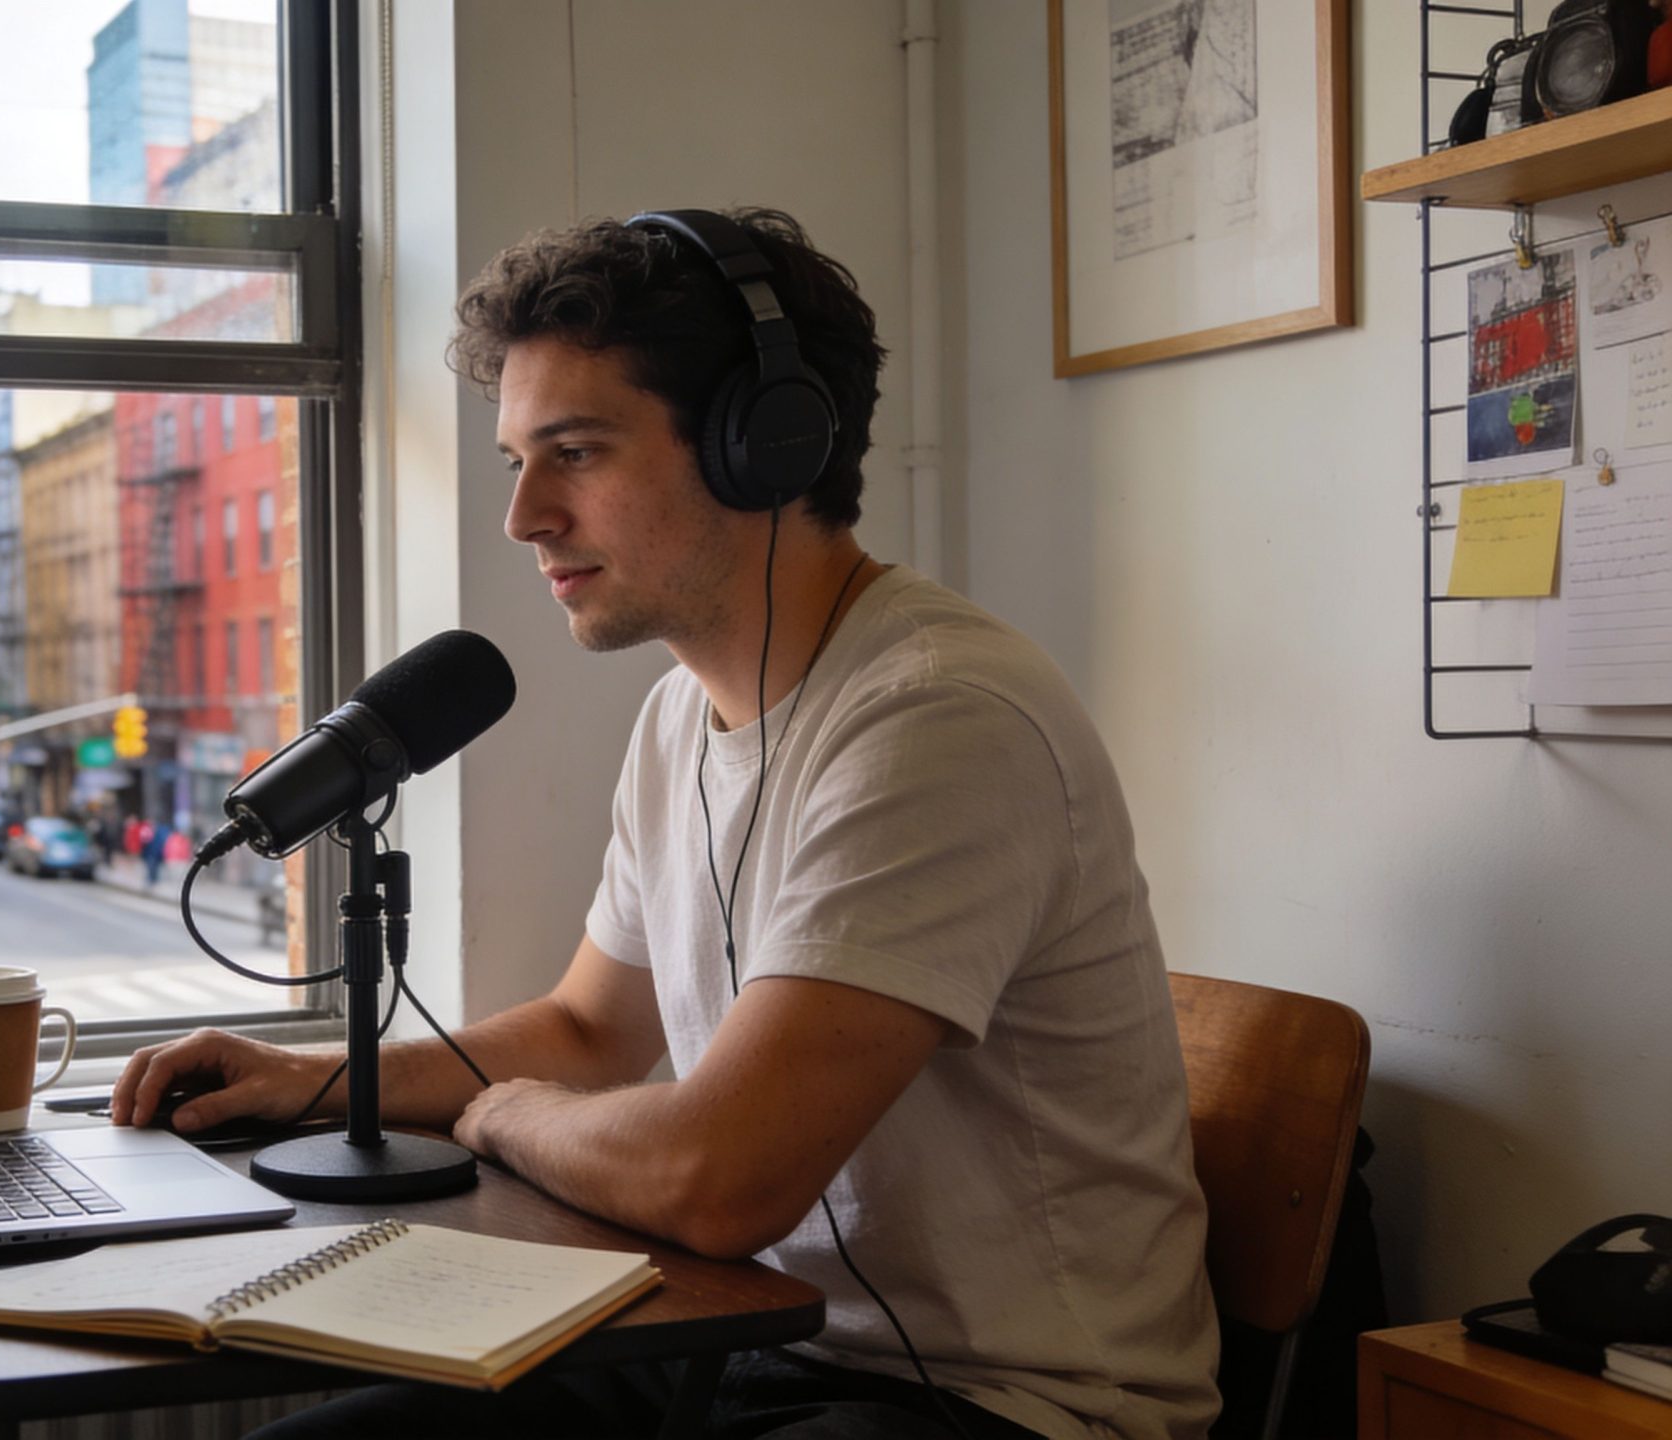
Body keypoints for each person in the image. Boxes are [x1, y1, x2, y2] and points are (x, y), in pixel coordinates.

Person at [111, 208, 1217, 1439]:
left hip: (990, 1408)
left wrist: (499, 1114)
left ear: (766, 444)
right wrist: (317, 1084)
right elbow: (589, 1029)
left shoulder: (937, 720)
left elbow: (716, 1174)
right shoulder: (679, 718)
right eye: (516, 461)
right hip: (743, 1342)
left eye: (574, 452)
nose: (524, 515)